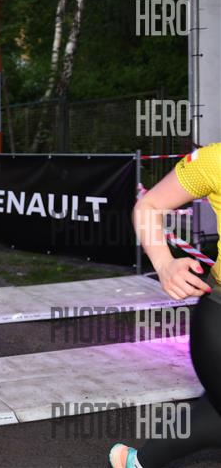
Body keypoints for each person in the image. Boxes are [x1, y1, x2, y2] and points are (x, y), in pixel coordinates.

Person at [110, 143, 221, 468]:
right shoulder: (216, 160)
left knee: (213, 419)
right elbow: (149, 206)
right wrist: (164, 263)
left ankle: (136, 463)